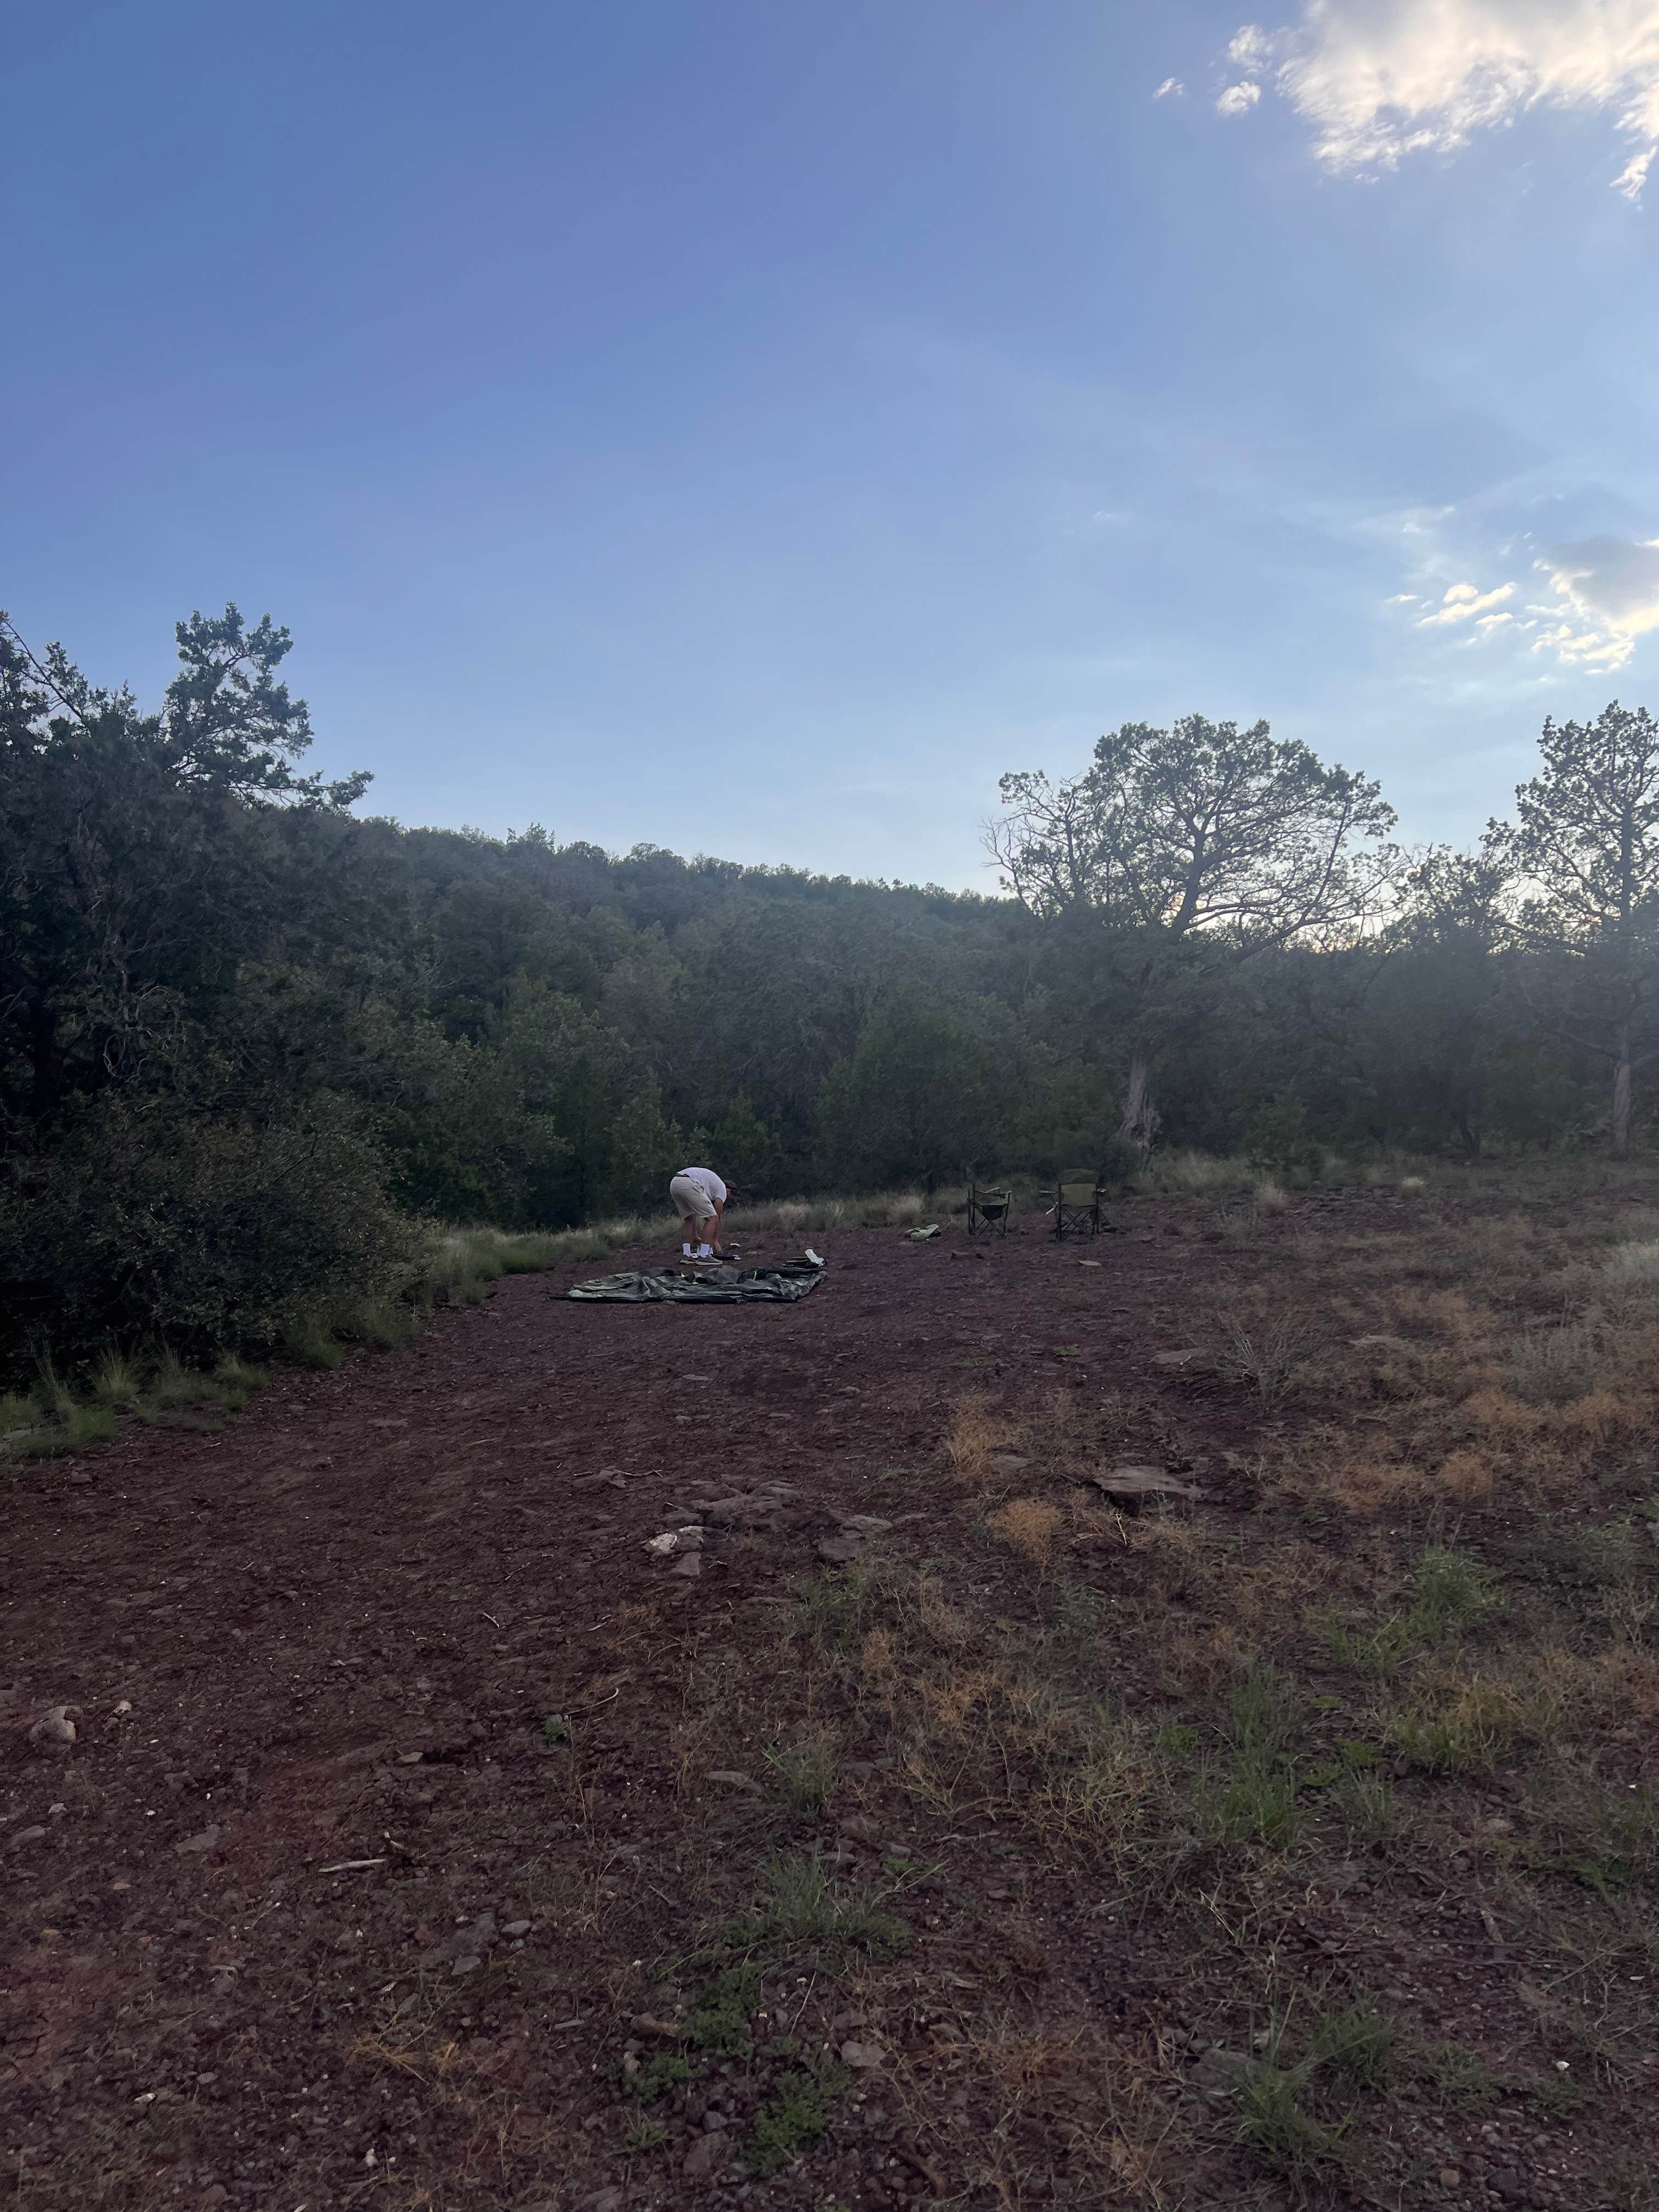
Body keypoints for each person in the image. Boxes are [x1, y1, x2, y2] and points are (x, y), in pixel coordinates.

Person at [669, 1165, 733, 1261]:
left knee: (689, 1218)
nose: (730, 1197)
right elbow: (718, 1215)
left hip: (675, 1182)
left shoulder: (709, 1186)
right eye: (732, 1194)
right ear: (729, 1190)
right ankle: (704, 1255)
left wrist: (695, 1237)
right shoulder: (722, 1189)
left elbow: (695, 1214)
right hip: (688, 1182)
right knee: (712, 1218)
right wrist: (715, 1241)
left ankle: (686, 1254)